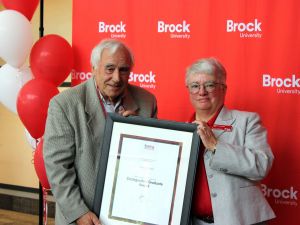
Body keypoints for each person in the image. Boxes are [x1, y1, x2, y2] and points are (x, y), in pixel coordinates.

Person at [43, 39, 157, 225]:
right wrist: (79, 213)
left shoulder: (147, 102)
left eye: (124, 70)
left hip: (129, 214)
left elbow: (152, 159)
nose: (117, 78)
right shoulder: (65, 104)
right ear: (94, 68)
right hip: (83, 215)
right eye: (110, 69)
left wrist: (139, 133)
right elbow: (57, 167)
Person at [185, 58, 275, 225]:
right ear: (188, 90)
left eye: (210, 85)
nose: (202, 91)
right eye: (195, 85)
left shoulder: (247, 121)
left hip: (239, 221)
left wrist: (215, 145)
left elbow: (261, 165)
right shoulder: (182, 130)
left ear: (223, 89)